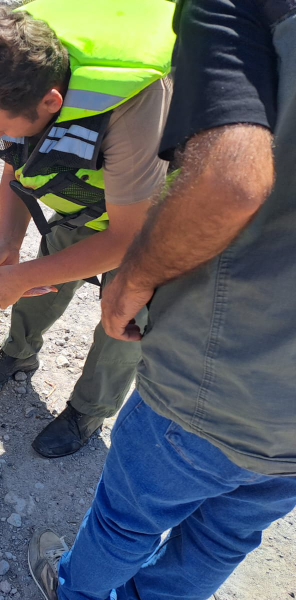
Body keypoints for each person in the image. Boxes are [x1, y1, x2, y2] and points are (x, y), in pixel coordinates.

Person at [26, 0, 296, 598]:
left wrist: (134, 276)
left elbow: (230, 179)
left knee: (127, 521)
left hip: (222, 380)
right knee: (223, 539)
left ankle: (75, 591)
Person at [0, 0, 174, 458]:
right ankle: (19, 352)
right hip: (90, 199)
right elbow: (17, 160)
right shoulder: (8, 63)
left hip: (154, 219)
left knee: (125, 314)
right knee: (46, 267)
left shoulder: (133, 102)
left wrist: (20, 275)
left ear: (52, 102)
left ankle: (89, 410)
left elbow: (129, 239)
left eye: (2, 128)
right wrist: (9, 242)